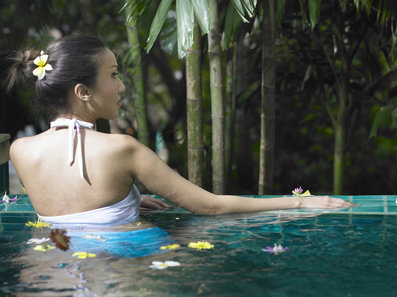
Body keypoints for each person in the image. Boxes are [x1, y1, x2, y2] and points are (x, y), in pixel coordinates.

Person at [4, 34, 354, 227]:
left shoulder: (20, 150)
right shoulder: (122, 149)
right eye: (113, 75)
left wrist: (126, 201)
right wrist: (299, 202)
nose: (122, 87)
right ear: (83, 92)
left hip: (50, 256)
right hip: (126, 260)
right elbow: (212, 207)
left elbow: (77, 211)